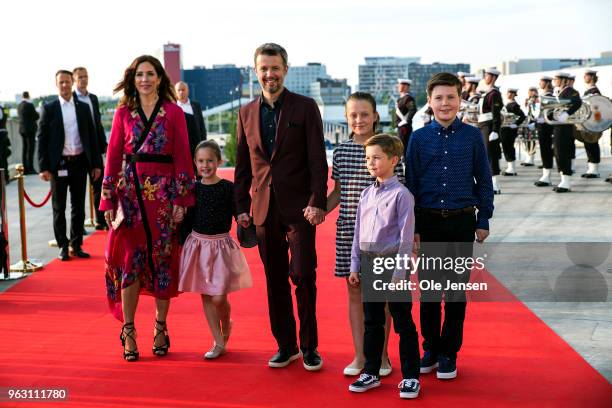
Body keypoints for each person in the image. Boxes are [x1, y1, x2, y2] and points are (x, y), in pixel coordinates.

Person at [234, 43, 328, 371]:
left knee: (303, 275)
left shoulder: (305, 107)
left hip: (300, 209)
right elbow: (242, 166)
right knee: (274, 280)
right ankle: (286, 346)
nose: (270, 74)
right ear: (255, 71)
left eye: (275, 68)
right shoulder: (246, 113)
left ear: (285, 69)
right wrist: (241, 207)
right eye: (264, 68)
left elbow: (318, 159)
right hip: (262, 210)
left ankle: (310, 346)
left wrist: (318, 202)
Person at [101, 55, 195, 361]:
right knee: (131, 262)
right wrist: (107, 199)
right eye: (140, 74)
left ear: (159, 78)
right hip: (130, 197)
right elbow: (113, 156)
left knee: (162, 263)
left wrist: (182, 200)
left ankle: (160, 326)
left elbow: (183, 155)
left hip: (165, 198)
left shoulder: (174, 112)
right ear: (133, 78)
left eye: (150, 74)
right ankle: (128, 330)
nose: (145, 79)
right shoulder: (122, 113)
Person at [405, 72, 494, 380]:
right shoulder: (418, 138)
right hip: (428, 223)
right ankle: (429, 347)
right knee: (429, 292)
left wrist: (483, 219)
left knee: (455, 293)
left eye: (451, 97)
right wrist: (413, 227)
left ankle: (449, 353)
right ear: (429, 102)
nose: (445, 103)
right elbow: (411, 184)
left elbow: (484, 179)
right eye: (439, 97)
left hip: (460, 222)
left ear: (460, 100)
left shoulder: (471, 137)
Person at [327, 92, 403, 377]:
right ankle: (360, 356)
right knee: (355, 291)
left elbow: (401, 192)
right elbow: (338, 193)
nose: (359, 120)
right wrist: (317, 210)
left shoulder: (389, 149)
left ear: (375, 116)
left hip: (382, 236)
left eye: (364, 114)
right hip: (348, 231)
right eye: (353, 115)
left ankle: (381, 356)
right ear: (347, 118)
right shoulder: (341, 152)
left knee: (379, 296)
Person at [347, 134, 420, 399]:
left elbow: (405, 238)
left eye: (376, 157)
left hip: (393, 265)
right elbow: (358, 233)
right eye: (368, 158)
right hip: (369, 264)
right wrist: (355, 265)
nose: (371, 162)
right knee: (373, 321)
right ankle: (371, 371)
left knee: (402, 321)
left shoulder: (403, 195)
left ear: (393, 160)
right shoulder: (366, 193)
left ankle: (411, 376)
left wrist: (400, 273)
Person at [179, 140, 252, 359]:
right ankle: (218, 342)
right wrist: (180, 224)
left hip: (221, 246)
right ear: (195, 162)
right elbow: (187, 218)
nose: (205, 165)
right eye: (201, 161)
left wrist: (243, 217)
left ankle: (226, 322)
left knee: (219, 297)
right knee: (206, 294)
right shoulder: (192, 189)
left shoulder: (227, 188)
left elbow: (238, 209)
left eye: (210, 160)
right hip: (198, 245)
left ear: (219, 161)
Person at [37, 70, 102, 261]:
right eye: (61, 82)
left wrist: (96, 164)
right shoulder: (49, 108)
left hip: (80, 163)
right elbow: (42, 139)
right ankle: (63, 246)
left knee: (78, 207)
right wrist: (43, 167)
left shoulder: (82, 108)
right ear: (56, 84)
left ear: (72, 83)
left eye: (67, 82)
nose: (65, 85)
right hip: (59, 165)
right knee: (59, 208)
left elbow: (91, 137)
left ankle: (76, 244)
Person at [73, 67, 108, 230]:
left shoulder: (93, 98)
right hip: (79, 150)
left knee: (99, 186)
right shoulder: (71, 99)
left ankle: (100, 220)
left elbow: (98, 124)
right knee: (78, 194)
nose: (83, 80)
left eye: (85, 77)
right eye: (80, 77)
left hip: (94, 148)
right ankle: (79, 229)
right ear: (74, 79)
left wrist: (104, 146)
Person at [551, 71, 582, 193]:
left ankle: (566, 182)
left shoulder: (570, 91)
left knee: (563, 151)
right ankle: (563, 179)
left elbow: (577, 102)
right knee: (558, 151)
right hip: (558, 125)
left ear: (563, 80)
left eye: (556, 79)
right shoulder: (559, 92)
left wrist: (567, 113)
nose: (555, 81)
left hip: (565, 125)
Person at [477, 68, 503, 194]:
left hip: (489, 125)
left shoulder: (494, 94)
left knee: (491, 154)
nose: (485, 77)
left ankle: (495, 184)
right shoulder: (486, 93)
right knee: (485, 154)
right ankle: (488, 183)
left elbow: (496, 114)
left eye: (487, 75)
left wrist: (495, 130)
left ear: (493, 77)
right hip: (483, 125)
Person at [175, 81, 207, 157]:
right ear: (175, 92)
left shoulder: (196, 105)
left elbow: (201, 125)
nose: (181, 92)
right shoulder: (173, 107)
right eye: (178, 90)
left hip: (196, 146)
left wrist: (204, 144)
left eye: (183, 90)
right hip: (179, 147)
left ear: (188, 90)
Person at [580, 69, 601, 178]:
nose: (584, 77)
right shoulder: (587, 91)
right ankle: (591, 168)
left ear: (591, 77)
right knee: (588, 144)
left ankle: (595, 169)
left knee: (592, 144)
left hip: (592, 122)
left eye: (586, 75)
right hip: (587, 122)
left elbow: (596, 107)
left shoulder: (594, 91)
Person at [534, 76, 556, 186]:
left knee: (546, 151)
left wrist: (542, 119)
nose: (539, 83)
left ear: (547, 83)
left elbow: (550, 114)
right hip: (542, 127)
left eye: (541, 82)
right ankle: (545, 175)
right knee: (544, 151)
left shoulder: (549, 97)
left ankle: (547, 176)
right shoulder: (543, 97)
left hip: (546, 128)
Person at [500, 88, 526, 176]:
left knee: (509, 146)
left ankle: (512, 168)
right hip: (504, 128)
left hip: (510, 129)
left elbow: (522, 116)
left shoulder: (514, 105)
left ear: (513, 94)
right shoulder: (507, 104)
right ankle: (510, 167)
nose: (508, 94)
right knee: (505, 147)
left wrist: (516, 124)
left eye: (509, 93)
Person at [17, 91, 39, 175]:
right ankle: (30, 168)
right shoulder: (29, 105)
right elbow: (37, 116)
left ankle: (25, 169)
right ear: (28, 96)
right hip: (30, 130)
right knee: (31, 149)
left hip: (22, 129)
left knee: (25, 149)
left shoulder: (19, 106)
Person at [395, 79, 417, 154]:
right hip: (401, 127)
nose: (399, 87)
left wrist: (405, 121)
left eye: (401, 85)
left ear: (406, 87)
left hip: (405, 128)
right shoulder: (400, 99)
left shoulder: (408, 98)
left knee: (404, 147)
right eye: (400, 85)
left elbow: (413, 110)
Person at [520, 86, 539, 167]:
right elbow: (525, 111)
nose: (531, 93)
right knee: (526, 140)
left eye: (533, 91)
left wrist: (533, 103)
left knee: (532, 140)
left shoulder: (537, 101)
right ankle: (528, 157)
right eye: (530, 91)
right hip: (527, 121)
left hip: (533, 122)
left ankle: (531, 159)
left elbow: (536, 112)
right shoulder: (527, 101)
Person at [0, 104, 10, 184]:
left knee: (2, 158)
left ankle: (4, 178)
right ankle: (6, 177)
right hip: (4, 133)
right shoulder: (4, 108)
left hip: (1, 135)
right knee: (4, 157)